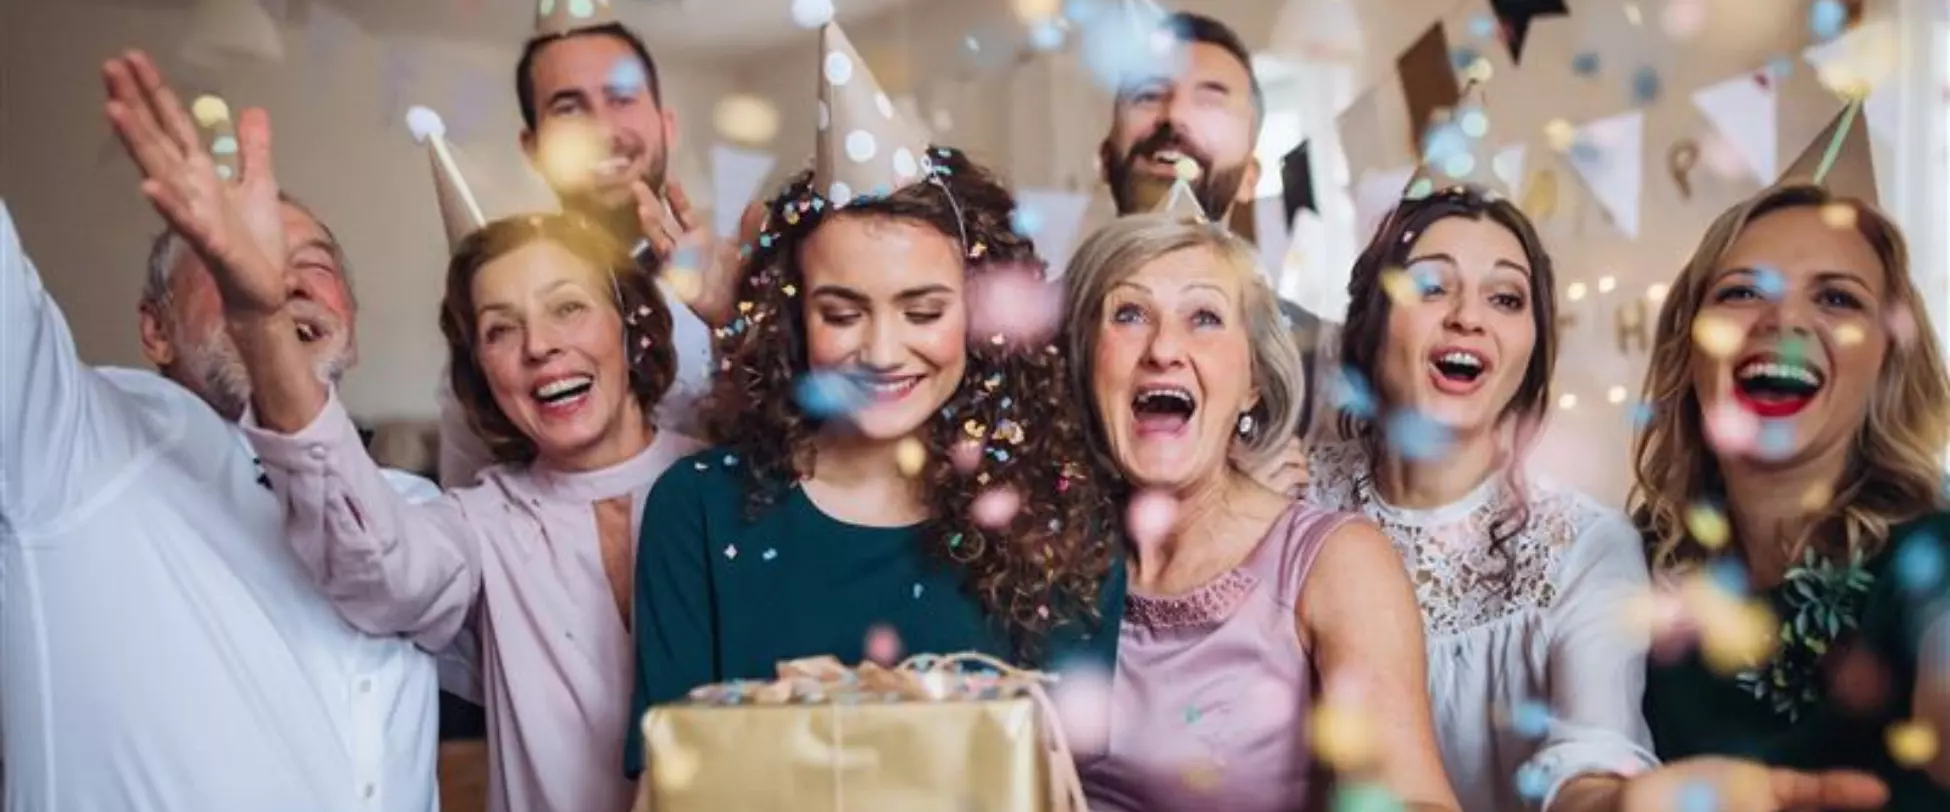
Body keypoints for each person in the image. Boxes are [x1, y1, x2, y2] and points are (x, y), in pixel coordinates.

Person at [103, 50, 704, 812]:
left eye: (568, 306)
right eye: (499, 328)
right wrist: (259, 318)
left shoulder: (721, 481)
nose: (540, 346)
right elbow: (374, 564)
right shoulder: (476, 527)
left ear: (631, 327)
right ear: (480, 371)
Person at [625, 21, 1121, 779]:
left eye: (923, 311)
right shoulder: (695, 512)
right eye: (842, 313)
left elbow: (1055, 781)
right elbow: (675, 783)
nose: (884, 352)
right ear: (796, 318)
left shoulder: (1056, 521)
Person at [0, 51, 440, 812]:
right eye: (234, 256)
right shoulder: (64, 444)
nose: (277, 279)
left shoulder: (418, 513)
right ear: (155, 329)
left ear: (354, 328)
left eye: (314, 263)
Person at [1061, 211, 1459, 812]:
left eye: (1204, 318)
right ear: (1086, 363)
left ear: (1252, 381)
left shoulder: (1333, 563)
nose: (1164, 348)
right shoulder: (1044, 555)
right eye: (1130, 314)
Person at [1304, 180, 1662, 812]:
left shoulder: (1587, 547)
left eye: (1505, 298)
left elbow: (1594, 750)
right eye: (1432, 286)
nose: (1468, 316)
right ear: (1368, 326)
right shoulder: (1293, 501)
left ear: (1532, 349)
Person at [1617, 174, 1950, 811]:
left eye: (1838, 299)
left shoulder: (1933, 554)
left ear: (1887, 357)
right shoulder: (1630, 561)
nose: (1785, 319)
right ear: (1689, 349)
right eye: (1741, 291)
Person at [1099, 10, 1338, 454]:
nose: (1173, 116)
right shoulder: (1025, 347)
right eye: (1149, 95)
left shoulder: (1326, 362)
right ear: (1104, 159)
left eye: (1210, 101)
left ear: (1250, 176)